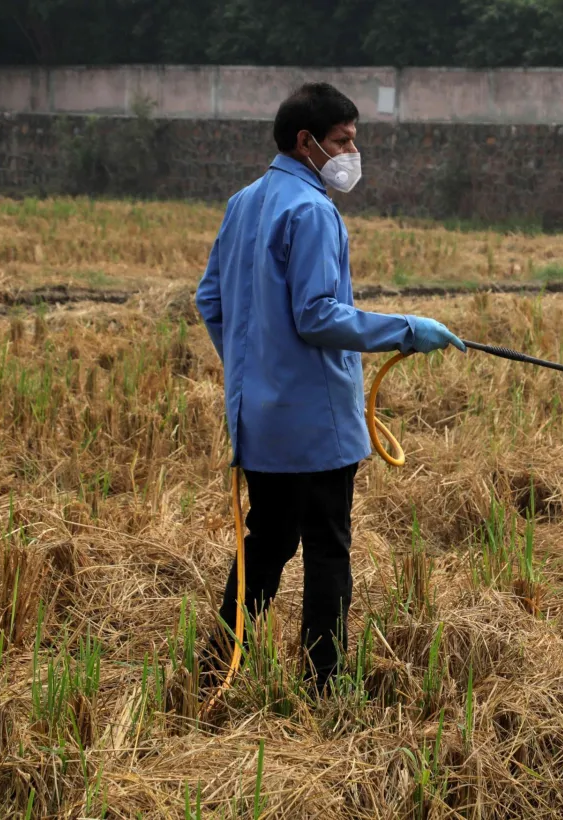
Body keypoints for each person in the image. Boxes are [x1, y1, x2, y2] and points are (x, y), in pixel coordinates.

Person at [194, 82, 465, 692]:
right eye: (343, 141)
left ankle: (212, 668)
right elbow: (317, 315)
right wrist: (406, 330)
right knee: (326, 550)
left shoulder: (244, 202)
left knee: (266, 544)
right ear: (305, 142)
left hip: (260, 421)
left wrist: (252, 367)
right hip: (315, 427)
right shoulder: (313, 211)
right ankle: (325, 686)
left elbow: (209, 299)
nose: (352, 152)